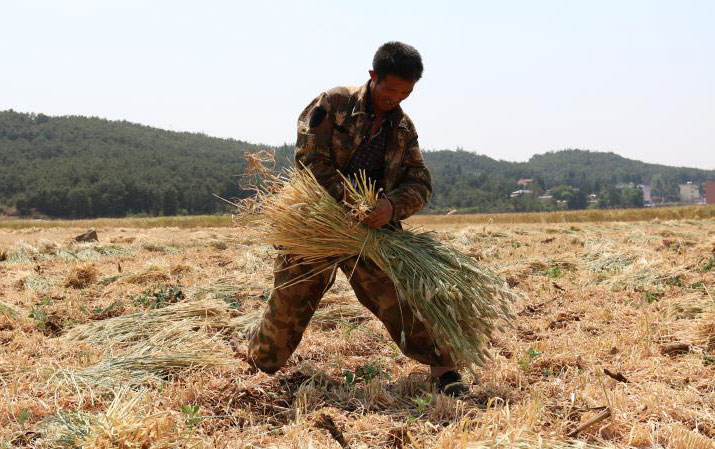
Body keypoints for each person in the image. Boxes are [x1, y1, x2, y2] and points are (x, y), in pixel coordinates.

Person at [248, 41, 467, 396]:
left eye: (406, 92)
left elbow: (419, 181)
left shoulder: (402, 128)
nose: (395, 98)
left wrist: (391, 208)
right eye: (390, 89)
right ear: (373, 77)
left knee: (402, 296)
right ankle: (260, 366)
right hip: (316, 225)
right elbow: (309, 160)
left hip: (370, 232)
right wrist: (352, 202)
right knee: (290, 300)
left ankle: (443, 369)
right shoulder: (333, 104)